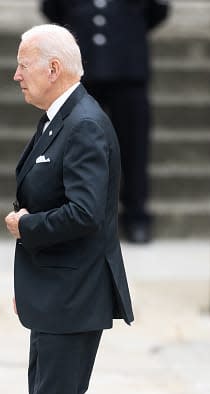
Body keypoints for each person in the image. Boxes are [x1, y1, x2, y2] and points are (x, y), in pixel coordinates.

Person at [0, 24, 181, 394]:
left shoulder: (86, 124)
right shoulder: (61, 121)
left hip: (75, 293)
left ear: (54, 68)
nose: (15, 74)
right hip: (57, 293)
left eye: (23, 63)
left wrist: (27, 225)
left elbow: (87, 213)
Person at [40, 0, 171, 243]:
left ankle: (136, 215)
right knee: (73, 147)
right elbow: (52, 9)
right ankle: (72, 215)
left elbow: (158, 10)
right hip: (81, 68)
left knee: (134, 148)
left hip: (129, 68)